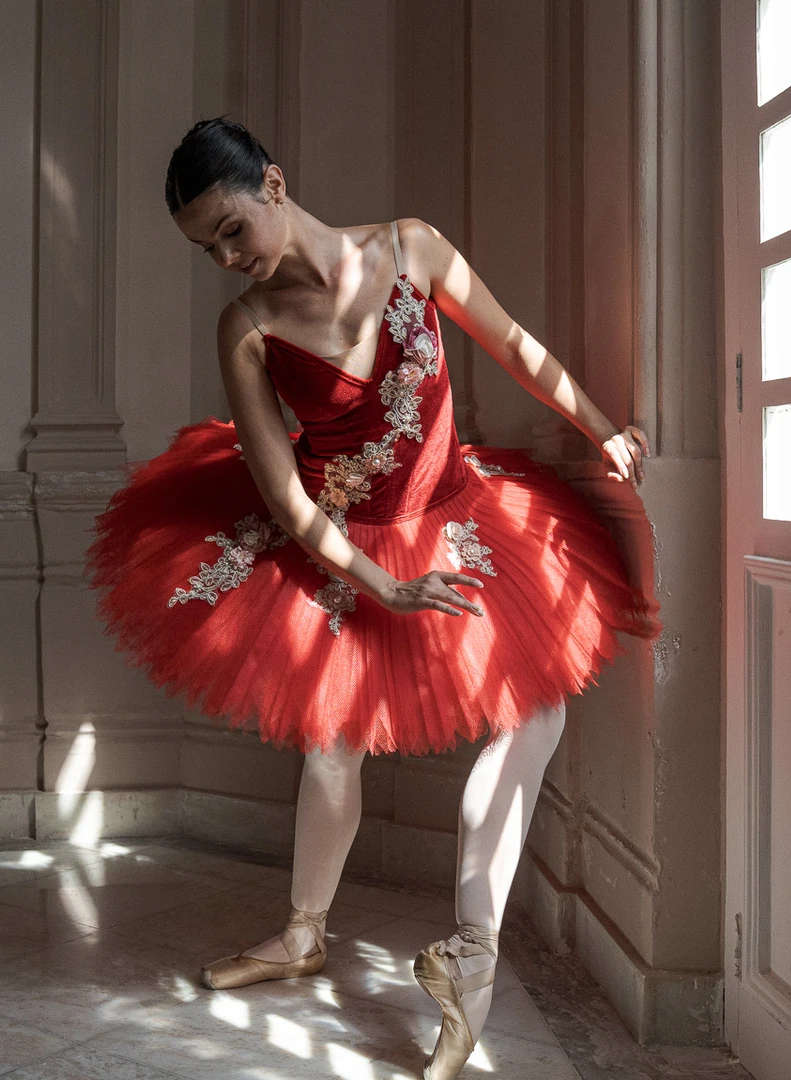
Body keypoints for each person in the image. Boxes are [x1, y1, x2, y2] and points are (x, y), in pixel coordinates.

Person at [86, 117, 659, 1079]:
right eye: (207, 249)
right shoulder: (250, 328)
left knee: (536, 710)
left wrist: (600, 428)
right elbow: (282, 494)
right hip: (344, 541)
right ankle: (304, 933)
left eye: (231, 229)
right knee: (332, 739)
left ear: (273, 183)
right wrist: (383, 582)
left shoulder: (410, 246)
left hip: (459, 513)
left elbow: (514, 346)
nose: (228, 260)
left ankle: (469, 964)